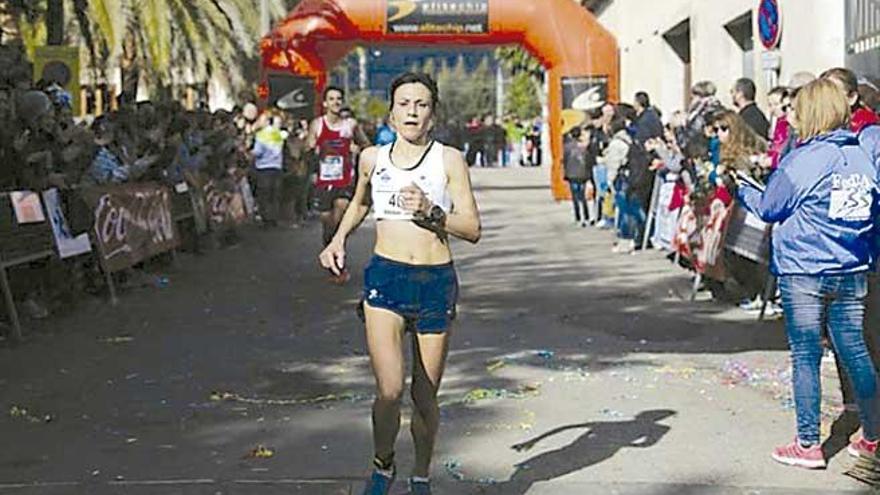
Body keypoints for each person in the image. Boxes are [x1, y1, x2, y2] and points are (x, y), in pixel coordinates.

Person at [318, 72, 480, 495]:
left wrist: (432, 211)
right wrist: (337, 240)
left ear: (433, 114)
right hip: (386, 278)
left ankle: (421, 475)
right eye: (404, 103)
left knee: (424, 396)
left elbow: (472, 227)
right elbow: (359, 203)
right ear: (391, 112)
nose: (412, 111)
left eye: (421, 104)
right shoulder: (372, 158)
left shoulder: (449, 160)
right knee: (389, 390)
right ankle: (382, 463)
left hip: (434, 282)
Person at [736, 78, 880, 469]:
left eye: (795, 110)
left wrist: (743, 190)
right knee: (856, 351)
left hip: (805, 269)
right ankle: (873, 435)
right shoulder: (862, 155)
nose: (791, 117)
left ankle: (808, 444)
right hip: (852, 267)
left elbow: (769, 207)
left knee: (806, 355)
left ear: (811, 113)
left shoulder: (803, 160)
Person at [307, 86, 370, 263]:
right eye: (332, 99)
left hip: (344, 179)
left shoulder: (350, 125)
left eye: (339, 99)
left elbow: (367, 145)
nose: (336, 102)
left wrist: (357, 148)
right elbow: (307, 147)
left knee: (341, 210)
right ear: (325, 103)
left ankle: (338, 248)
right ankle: (331, 245)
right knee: (327, 222)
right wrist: (312, 147)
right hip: (324, 179)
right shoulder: (318, 124)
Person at [252, 111, 286, 227]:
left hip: (263, 168)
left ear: (266, 121)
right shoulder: (278, 134)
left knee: (264, 194)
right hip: (277, 167)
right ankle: (274, 218)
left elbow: (258, 152)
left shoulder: (261, 135)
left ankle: (266, 219)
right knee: (275, 194)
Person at [821, 67, 880, 132]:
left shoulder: (867, 130)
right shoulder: (817, 124)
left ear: (852, 97)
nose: (826, 100)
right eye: (822, 95)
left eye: (834, 95)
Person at [563, 127, 591, 227]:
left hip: (571, 174)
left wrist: (565, 173)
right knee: (582, 196)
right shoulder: (584, 146)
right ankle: (586, 217)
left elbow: (564, 161)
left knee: (575, 197)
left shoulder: (566, 147)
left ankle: (578, 217)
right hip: (583, 174)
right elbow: (588, 161)